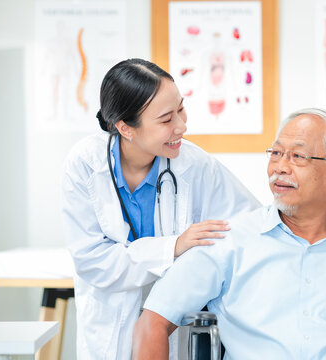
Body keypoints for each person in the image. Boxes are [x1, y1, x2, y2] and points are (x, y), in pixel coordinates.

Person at [133, 108, 326, 360]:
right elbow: (153, 322)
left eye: (297, 156)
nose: (280, 168)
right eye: (275, 153)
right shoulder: (227, 242)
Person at [61, 58, 260, 359]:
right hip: (108, 328)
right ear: (126, 128)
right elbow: (93, 262)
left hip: (174, 328)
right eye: (167, 119)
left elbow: (249, 226)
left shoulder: (196, 165)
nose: (182, 126)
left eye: (181, 109)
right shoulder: (85, 165)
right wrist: (174, 247)